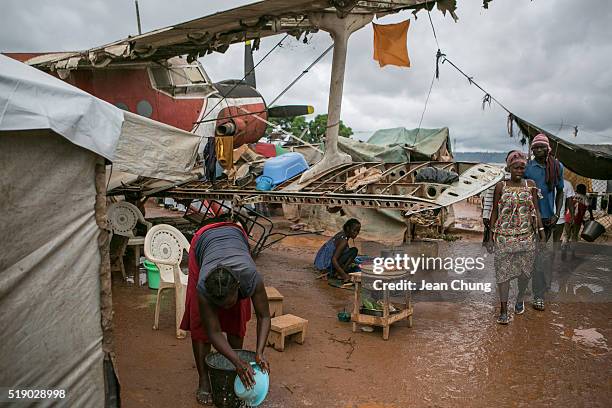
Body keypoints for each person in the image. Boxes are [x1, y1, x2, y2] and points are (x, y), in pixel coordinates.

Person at [180, 221, 271, 405]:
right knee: (200, 324)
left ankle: (232, 375)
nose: (224, 308)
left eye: (228, 302)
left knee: (236, 320)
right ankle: (204, 379)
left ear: (238, 287)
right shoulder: (203, 287)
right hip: (203, 241)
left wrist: (259, 352)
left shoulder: (251, 277)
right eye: (218, 304)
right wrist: (238, 362)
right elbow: (213, 332)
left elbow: (264, 316)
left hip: (236, 236)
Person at [489, 151, 546, 324]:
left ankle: (520, 297)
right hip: (504, 238)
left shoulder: (531, 185)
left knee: (524, 273)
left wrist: (541, 232)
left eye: (522, 167)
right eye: (516, 167)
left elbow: (535, 210)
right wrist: (490, 235)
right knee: (503, 274)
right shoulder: (500, 186)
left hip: (526, 236)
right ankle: (504, 310)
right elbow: (495, 212)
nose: (519, 170)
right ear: (508, 168)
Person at [524, 133, 564, 311]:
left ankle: (538, 295)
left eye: (541, 147)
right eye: (535, 148)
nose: (538, 150)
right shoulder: (527, 167)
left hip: (547, 220)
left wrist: (557, 214)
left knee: (539, 257)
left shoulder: (557, 167)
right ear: (532, 150)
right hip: (527, 219)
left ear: (547, 149)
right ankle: (523, 288)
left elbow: (560, 191)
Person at [565, 184, 594, 258]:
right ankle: (572, 254)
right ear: (584, 190)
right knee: (574, 236)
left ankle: (563, 252)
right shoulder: (585, 198)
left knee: (566, 235)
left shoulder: (572, 196)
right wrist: (591, 216)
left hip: (568, 218)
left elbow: (567, 205)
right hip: (577, 219)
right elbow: (589, 208)